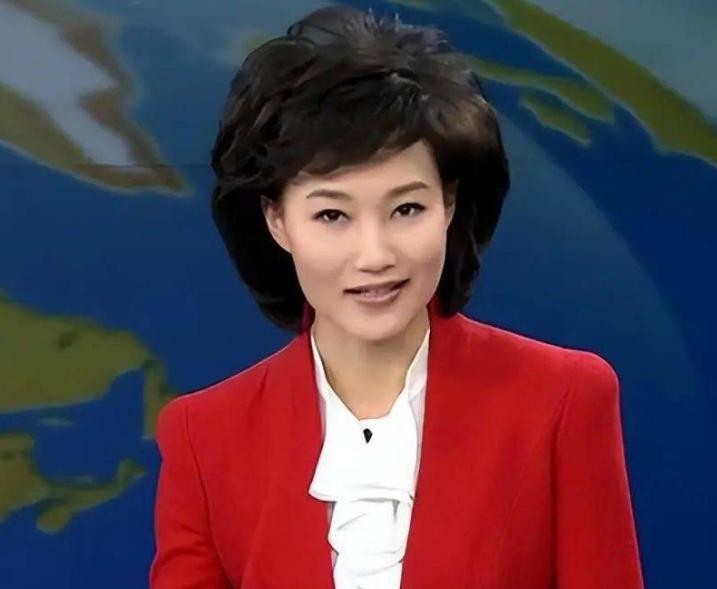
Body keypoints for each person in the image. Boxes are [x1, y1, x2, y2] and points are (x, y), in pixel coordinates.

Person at [149, 6, 644, 589]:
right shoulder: (203, 437)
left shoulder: (564, 398)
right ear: (277, 220)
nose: (375, 254)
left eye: (406, 208)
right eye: (332, 215)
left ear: (449, 204)